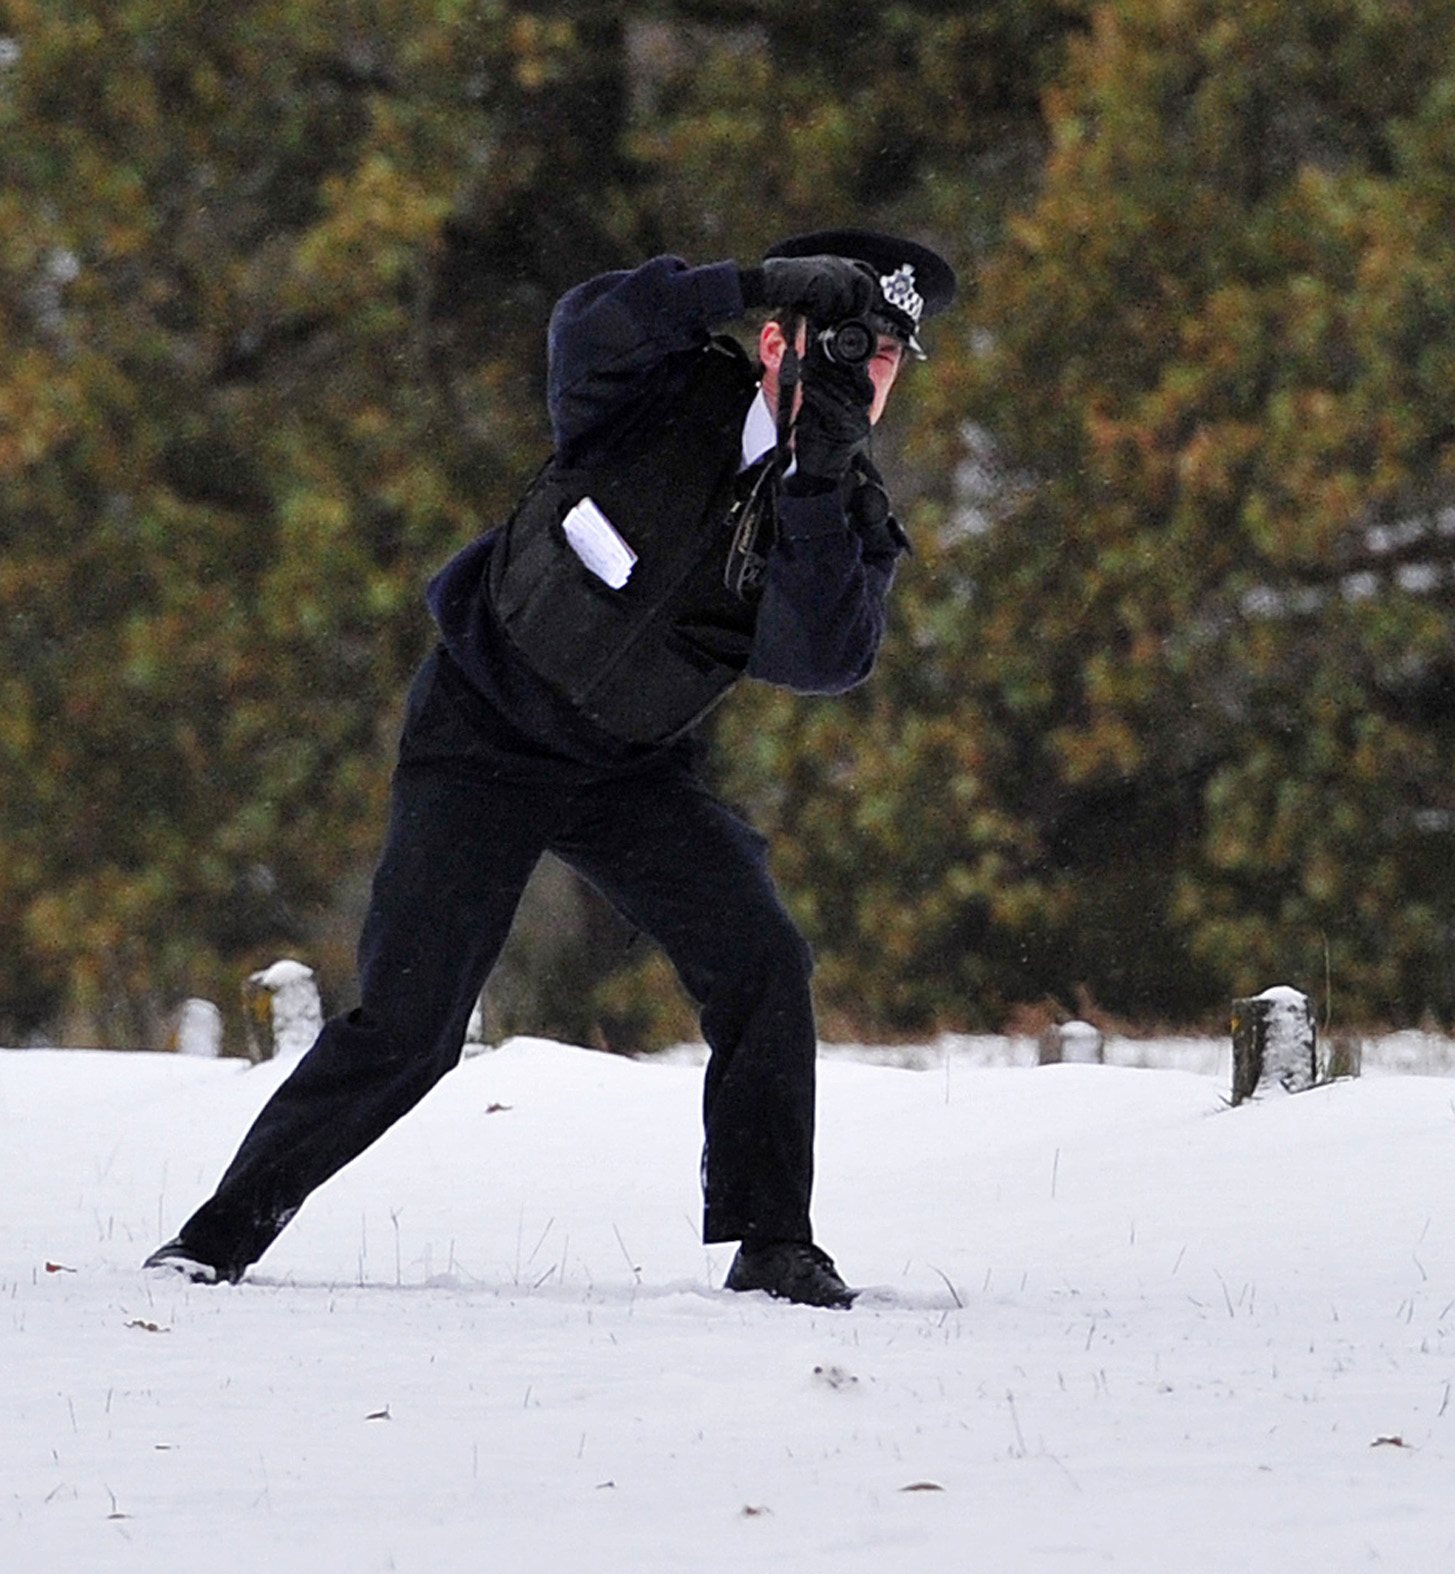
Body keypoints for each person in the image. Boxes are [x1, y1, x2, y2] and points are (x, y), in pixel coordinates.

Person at [143, 230, 957, 1309]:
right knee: (411, 1025)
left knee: (762, 956)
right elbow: (587, 321)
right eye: (845, 343)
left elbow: (818, 657)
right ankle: (218, 1233)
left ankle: (773, 1240)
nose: (865, 373)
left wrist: (814, 478)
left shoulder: (843, 510)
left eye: (887, 360)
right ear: (775, 342)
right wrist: (742, 280)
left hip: (630, 767)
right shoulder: (658, 392)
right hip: (481, 730)